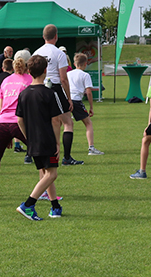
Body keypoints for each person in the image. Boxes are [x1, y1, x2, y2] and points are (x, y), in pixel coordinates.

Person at [15, 55, 64, 220]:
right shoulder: (49, 93)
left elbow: (19, 120)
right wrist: (57, 143)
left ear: (29, 71)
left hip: (33, 140)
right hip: (47, 139)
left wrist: (28, 137)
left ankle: (55, 207)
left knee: (45, 172)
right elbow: (56, 120)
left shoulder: (23, 94)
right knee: (52, 174)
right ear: (45, 70)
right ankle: (28, 204)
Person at [0, 56, 32, 197]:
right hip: (19, 122)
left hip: (3, 122)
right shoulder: (29, 80)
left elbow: (1, 106)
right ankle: (45, 191)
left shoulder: (6, 81)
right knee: (40, 153)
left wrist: (9, 135)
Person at [33, 24, 81, 166]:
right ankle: (66, 157)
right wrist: (69, 98)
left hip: (39, 88)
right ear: (56, 36)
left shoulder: (36, 52)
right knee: (67, 123)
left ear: (43, 36)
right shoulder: (59, 54)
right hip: (54, 88)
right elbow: (63, 78)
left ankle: (32, 154)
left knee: (43, 123)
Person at [66, 52, 104, 156]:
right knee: (88, 123)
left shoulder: (68, 74)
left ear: (74, 63)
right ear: (85, 64)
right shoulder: (85, 75)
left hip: (67, 100)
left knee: (65, 125)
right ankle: (91, 148)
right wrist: (91, 107)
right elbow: (89, 92)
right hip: (76, 100)